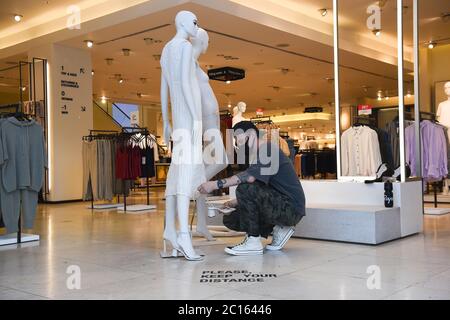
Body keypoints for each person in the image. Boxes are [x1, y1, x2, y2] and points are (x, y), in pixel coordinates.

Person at [198, 121, 306, 256]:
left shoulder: (268, 149)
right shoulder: (262, 153)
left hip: (291, 209)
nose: (238, 144)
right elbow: (262, 187)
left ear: (250, 134)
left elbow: (249, 179)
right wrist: (235, 202)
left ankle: (254, 242)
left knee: (244, 187)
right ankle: (277, 229)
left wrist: (214, 184)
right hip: (283, 204)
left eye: (238, 139)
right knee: (232, 218)